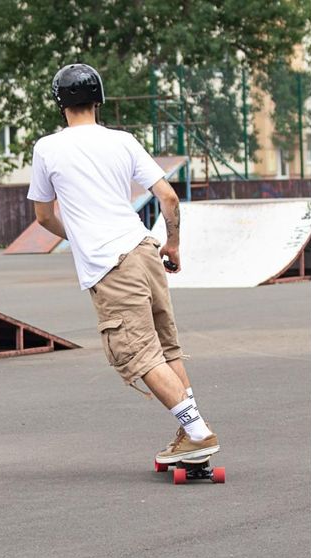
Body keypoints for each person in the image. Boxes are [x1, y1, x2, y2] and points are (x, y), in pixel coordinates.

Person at [27, 63, 219, 463]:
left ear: (60, 104)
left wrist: (78, 237)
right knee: (166, 349)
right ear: (99, 100)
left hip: (111, 265)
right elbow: (168, 197)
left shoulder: (47, 148)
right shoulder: (124, 141)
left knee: (138, 353)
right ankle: (188, 433)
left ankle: (198, 432)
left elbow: (43, 217)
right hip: (145, 249)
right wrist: (173, 245)